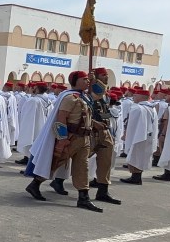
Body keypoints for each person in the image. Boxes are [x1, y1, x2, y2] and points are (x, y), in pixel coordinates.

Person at [25, 71, 103, 212]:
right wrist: (62, 139)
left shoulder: (85, 97)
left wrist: (95, 80)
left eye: (87, 79)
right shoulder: (69, 98)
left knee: (82, 167)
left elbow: (100, 93)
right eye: (84, 79)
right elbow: (61, 119)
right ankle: (35, 184)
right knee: (54, 163)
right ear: (75, 81)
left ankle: (83, 198)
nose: (87, 81)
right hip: (71, 138)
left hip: (84, 138)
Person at [87, 68, 119, 201]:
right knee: (72, 158)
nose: (106, 77)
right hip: (90, 130)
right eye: (103, 75)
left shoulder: (105, 93)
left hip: (104, 131)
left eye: (106, 75)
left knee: (105, 161)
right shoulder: (90, 91)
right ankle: (40, 181)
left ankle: (103, 191)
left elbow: (104, 110)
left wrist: (106, 122)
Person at [120, 89, 157, 185]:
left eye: (136, 95)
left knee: (135, 155)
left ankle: (135, 177)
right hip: (147, 135)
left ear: (141, 97)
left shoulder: (137, 108)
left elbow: (131, 124)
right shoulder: (151, 108)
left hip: (138, 135)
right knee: (141, 157)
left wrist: (126, 134)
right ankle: (137, 176)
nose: (133, 97)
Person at [16, 82, 54, 168]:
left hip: (34, 128)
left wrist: (25, 130)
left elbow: (27, 117)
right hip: (44, 128)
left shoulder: (33, 101)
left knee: (32, 148)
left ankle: (31, 169)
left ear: (36, 89)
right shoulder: (49, 102)